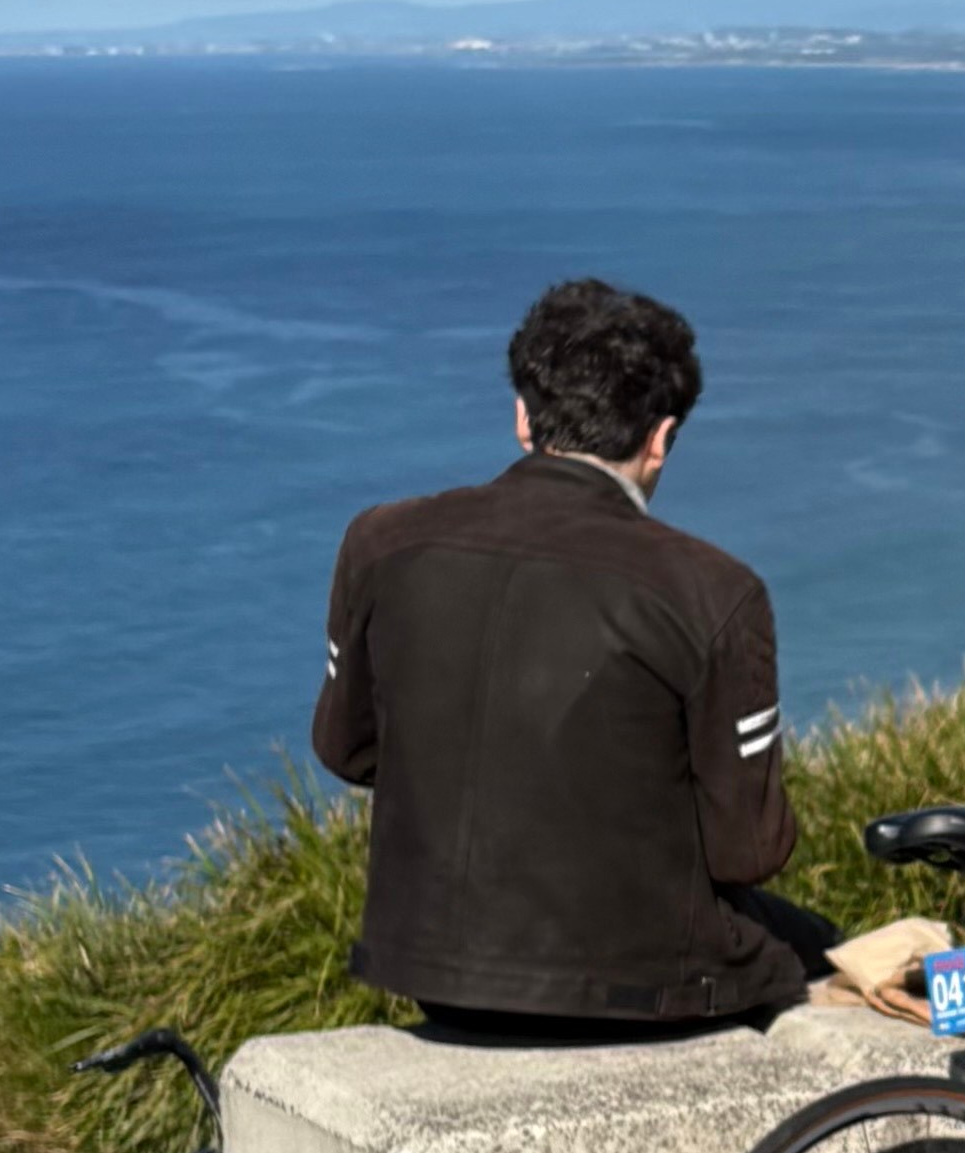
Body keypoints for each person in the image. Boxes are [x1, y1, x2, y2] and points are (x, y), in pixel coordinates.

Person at [313, 277, 837, 1039]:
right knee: (838, 953)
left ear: (524, 418)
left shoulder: (378, 542)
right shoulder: (716, 591)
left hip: (425, 966)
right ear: (660, 437)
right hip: (642, 985)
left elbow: (345, 747)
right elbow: (749, 851)